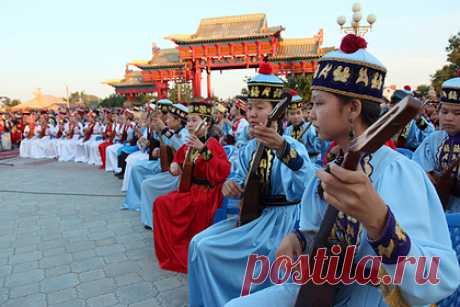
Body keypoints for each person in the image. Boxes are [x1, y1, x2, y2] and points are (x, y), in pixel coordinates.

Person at [225, 34, 460, 307]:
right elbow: (317, 231)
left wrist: (381, 223)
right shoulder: (331, 171)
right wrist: (298, 238)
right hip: (324, 288)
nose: (311, 113)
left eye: (319, 103)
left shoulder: (398, 173)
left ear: (353, 108)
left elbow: (439, 280)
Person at [188, 62, 314, 307]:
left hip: (284, 220)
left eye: (260, 107)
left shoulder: (292, 146)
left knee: (210, 248)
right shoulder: (249, 147)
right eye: (250, 108)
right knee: (198, 244)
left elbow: (307, 185)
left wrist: (282, 149)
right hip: (256, 216)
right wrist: (230, 185)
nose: (252, 114)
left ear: (277, 111)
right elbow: (236, 176)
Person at [153, 99, 231, 273]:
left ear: (206, 122)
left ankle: (184, 251)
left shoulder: (212, 143)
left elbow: (224, 170)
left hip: (207, 193)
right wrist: (175, 166)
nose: (189, 124)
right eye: (188, 120)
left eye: (194, 120)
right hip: (192, 190)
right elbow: (178, 160)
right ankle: (172, 250)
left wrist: (204, 150)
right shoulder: (189, 143)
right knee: (161, 203)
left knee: (175, 205)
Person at [413, 70, 460, 212]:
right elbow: (416, 166)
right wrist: (424, 174)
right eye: (444, 112)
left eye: (457, 113)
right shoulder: (434, 139)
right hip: (438, 210)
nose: (448, 118)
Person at [284, 90, 329, 164]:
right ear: (287, 115)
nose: (296, 117)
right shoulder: (287, 130)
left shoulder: (310, 128)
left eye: (298, 113)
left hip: (310, 162)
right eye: (292, 114)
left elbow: (318, 147)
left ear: (302, 113)